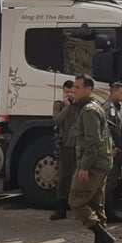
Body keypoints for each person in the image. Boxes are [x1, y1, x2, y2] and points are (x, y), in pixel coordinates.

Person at [67, 74, 116, 243]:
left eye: (78, 87)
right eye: (74, 87)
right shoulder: (94, 106)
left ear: (89, 89)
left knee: (76, 201)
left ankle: (102, 238)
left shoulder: (88, 110)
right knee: (96, 204)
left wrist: (84, 167)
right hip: (101, 162)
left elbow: (93, 141)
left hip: (93, 164)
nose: (74, 90)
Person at [103, 82, 122, 223]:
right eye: (121, 92)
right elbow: (106, 130)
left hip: (117, 149)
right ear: (113, 92)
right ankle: (108, 213)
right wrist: (112, 147)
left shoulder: (117, 107)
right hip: (111, 150)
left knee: (113, 181)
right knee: (110, 182)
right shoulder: (109, 108)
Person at [49, 80, 77, 221]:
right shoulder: (59, 105)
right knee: (63, 178)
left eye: (72, 92)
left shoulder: (79, 106)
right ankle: (61, 208)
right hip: (64, 145)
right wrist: (67, 107)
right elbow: (56, 121)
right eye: (67, 92)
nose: (70, 95)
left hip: (77, 146)